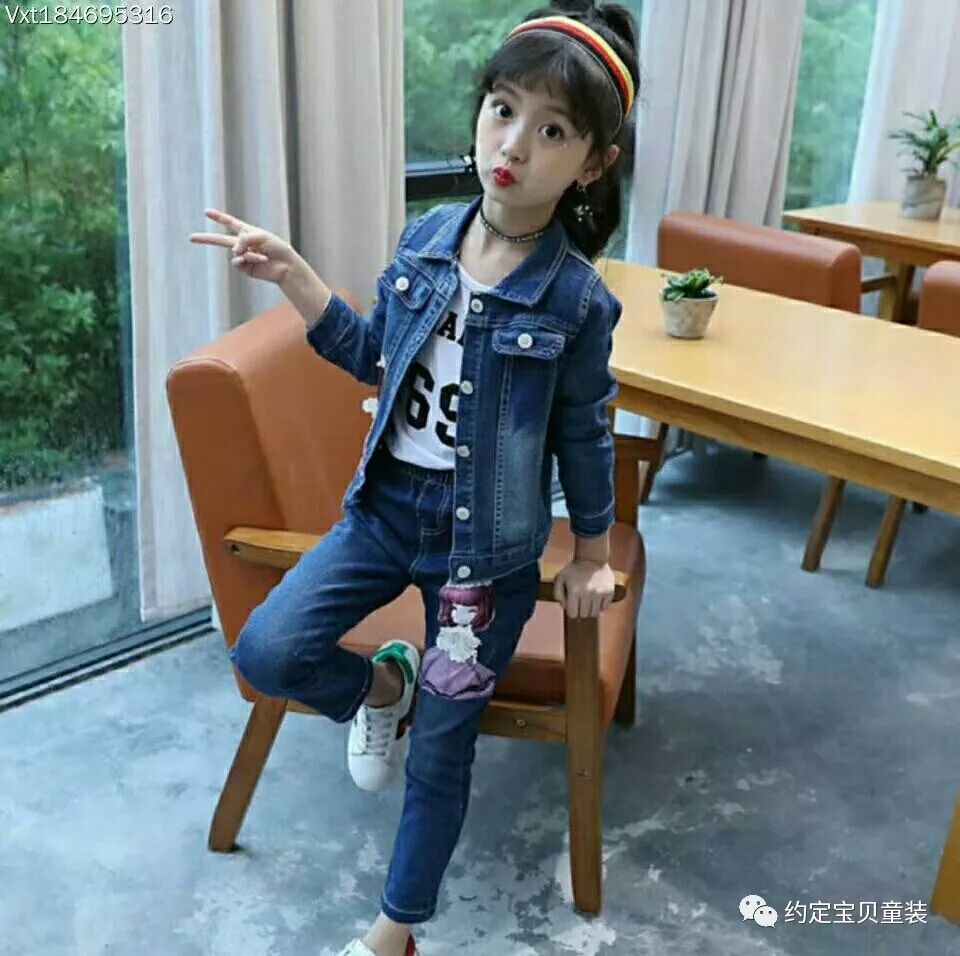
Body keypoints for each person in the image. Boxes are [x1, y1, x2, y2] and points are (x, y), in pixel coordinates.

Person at [188, 2, 639, 953]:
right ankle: (380, 690)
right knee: (267, 651)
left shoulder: (577, 301)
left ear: (592, 164)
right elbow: (374, 358)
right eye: (503, 109)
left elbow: (585, 436)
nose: (513, 144)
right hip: (385, 512)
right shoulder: (427, 238)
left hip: (485, 560)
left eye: (552, 131)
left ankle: (394, 934)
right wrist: (297, 277)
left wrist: (592, 553)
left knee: (442, 751)